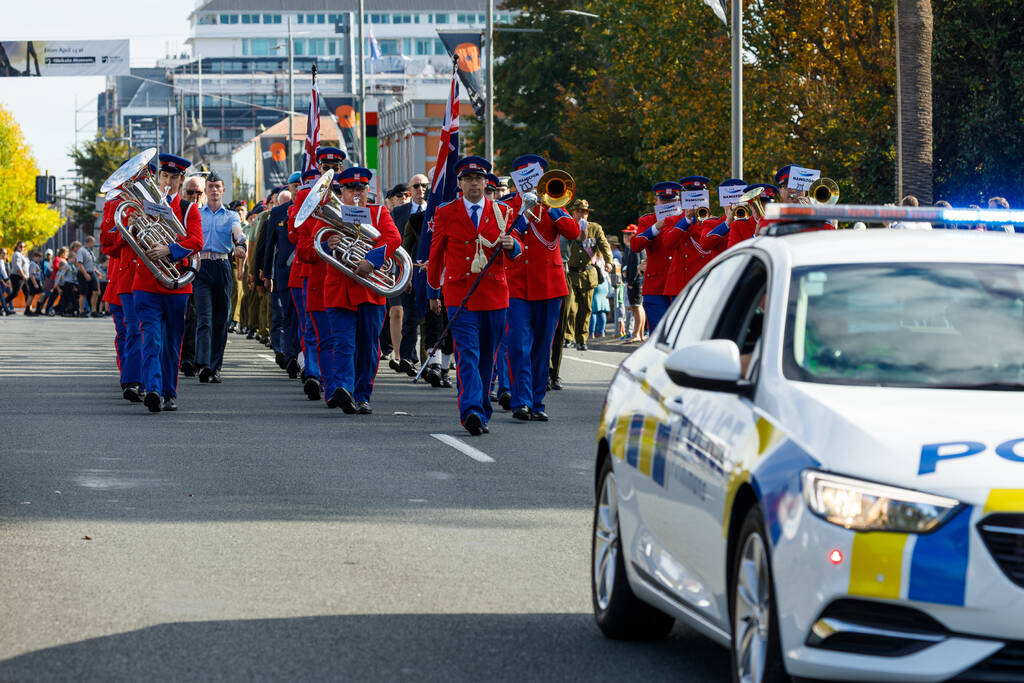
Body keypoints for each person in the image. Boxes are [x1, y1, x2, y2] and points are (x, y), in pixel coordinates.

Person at [427, 156, 521, 436]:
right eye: (468, 179)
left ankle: (481, 408)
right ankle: (471, 411)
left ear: (486, 182)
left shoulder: (502, 211)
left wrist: (512, 244)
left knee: (487, 358)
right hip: (460, 295)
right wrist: (433, 290)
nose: (474, 184)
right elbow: (435, 256)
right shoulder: (446, 212)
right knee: (467, 354)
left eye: (479, 179)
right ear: (460, 184)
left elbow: (519, 249)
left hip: (494, 294)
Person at [501, 155, 580, 420]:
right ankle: (521, 401)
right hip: (518, 285)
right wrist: (524, 212)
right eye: (527, 180)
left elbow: (573, 233)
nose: (532, 185)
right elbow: (506, 236)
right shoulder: (509, 205)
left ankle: (537, 402)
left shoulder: (555, 204)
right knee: (519, 344)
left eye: (536, 179)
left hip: (550, 285)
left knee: (542, 346)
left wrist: (554, 208)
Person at [319, 167, 402, 413]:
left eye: (361, 189)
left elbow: (393, 239)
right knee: (343, 343)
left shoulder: (378, 213)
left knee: (368, 346)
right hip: (339, 290)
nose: (357, 194)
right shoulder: (330, 215)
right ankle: (344, 389)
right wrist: (327, 243)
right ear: (341, 192)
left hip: (370, 290)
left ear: (368, 190)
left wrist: (373, 259)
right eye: (351, 189)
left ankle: (362, 394)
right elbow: (315, 243)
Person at [130, 152, 205, 412]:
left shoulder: (188, 209)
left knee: (172, 343)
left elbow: (197, 242)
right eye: (164, 175)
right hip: (147, 284)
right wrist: (134, 227)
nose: (168, 181)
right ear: (158, 176)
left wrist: (169, 249)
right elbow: (128, 240)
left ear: (181, 180)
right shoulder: (143, 206)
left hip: (176, 286)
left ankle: (169, 392)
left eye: (174, 177)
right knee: (151, 339)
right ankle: (152, 389)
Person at [194, 172, 246, 383]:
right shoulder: (197, 213)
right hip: (202, 266)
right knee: (204, 318)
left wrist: (241, 245)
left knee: (220, 320)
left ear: (223, 191)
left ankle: (216, 367)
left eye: (218, 187)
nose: (214, 190)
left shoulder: (231, 215)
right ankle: (203, 364)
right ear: (205, 191)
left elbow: (238, 233)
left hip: (222, 265)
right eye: (211, 187)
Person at [388, 172, 430, 375]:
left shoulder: (435, 209)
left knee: (430, 317)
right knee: (409, 316)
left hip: (430, 271)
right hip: (408, 269)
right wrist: (406, 270)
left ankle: (428, 361)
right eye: (416, 186)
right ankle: (407, 357)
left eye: (424, 186)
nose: (420, 189)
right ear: (410, 190)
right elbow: (399, 244)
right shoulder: (400, 212)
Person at [630, 183, 681, 334]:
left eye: (671, 202)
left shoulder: (685, 219)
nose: (666, 205)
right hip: (656, 286)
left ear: (678, 202)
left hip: (679, 284)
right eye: (663, 201)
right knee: (658, 334)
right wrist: (655, 228)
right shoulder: (647, 221)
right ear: (656, 202)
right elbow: (635, 245)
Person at [263, 180, 300, 377]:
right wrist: (267, 275)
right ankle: (291, 355)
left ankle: (302, 356)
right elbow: (270, 246)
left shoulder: (313, 211)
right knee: (287, 315)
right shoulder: (278, 213)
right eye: (294, 185)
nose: (297, 189)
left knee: (304, 317)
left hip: (306, 271)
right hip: (284, 273)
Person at [567, 198, 613, 350]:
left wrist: (608, 261)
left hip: (588, 274)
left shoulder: (595, 228)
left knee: (586, 310)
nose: (582, 215)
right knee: (570, 308)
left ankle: (582, 340)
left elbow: (604, 245)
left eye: (585, 212)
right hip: (570, 273)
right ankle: (568, 337)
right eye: (579, 212)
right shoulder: (566, 226)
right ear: (573, 212)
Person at [178, 174, 205, 376]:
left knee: (200, 317)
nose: (194, 195)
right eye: (190, 192)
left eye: (198, 192)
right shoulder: (179, 209)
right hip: (183, 268)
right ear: (182, 191)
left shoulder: (212, 212)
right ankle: (184, 356)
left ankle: (196, 357)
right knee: (184, 315)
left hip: (207, 268)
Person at [75, 236, 100, 316]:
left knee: (96, 291)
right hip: (83, 272)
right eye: (92, 242)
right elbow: (79, 263)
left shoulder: (90, 252)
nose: (93, 244)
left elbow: (92, 263)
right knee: (83, 293)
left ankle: (93, 310)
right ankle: (81, 311)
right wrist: (85, 274)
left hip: (92, 272)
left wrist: (96, 271)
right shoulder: (81, 251)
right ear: (87, 242)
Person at [9, 241, 29, 311]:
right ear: (17, 247)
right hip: (17, 277)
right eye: (21, 246)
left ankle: (28, 310)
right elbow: (18, 267)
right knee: (15, 293)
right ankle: (2, 305)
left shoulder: (23, 255)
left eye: (23, 247)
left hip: (24, 277)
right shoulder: (17, 254)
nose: (22, 248)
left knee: (27, 292)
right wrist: (23, 276)